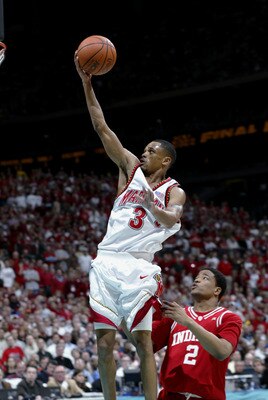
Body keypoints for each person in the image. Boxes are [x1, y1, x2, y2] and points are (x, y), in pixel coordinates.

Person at [74, 55, 186, 400]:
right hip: (107, 261)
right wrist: (87, 83)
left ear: (165, 160)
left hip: (138, 265)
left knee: (142, 341)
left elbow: (172, 217)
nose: (144, 151)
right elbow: (101, 128)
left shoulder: (173, 189)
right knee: (103, 344)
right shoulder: (130, 170)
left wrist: (153, 204)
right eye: (146, 148)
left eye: (152, 150)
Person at [152, 267, 243, 400]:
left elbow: (222, 351)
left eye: (204, 277)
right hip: (170, 396)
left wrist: (188, 322)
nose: (197, 280)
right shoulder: (175, 315)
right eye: (196, 278)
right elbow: (145, 346)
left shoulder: (227, 318)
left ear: (217, 290)